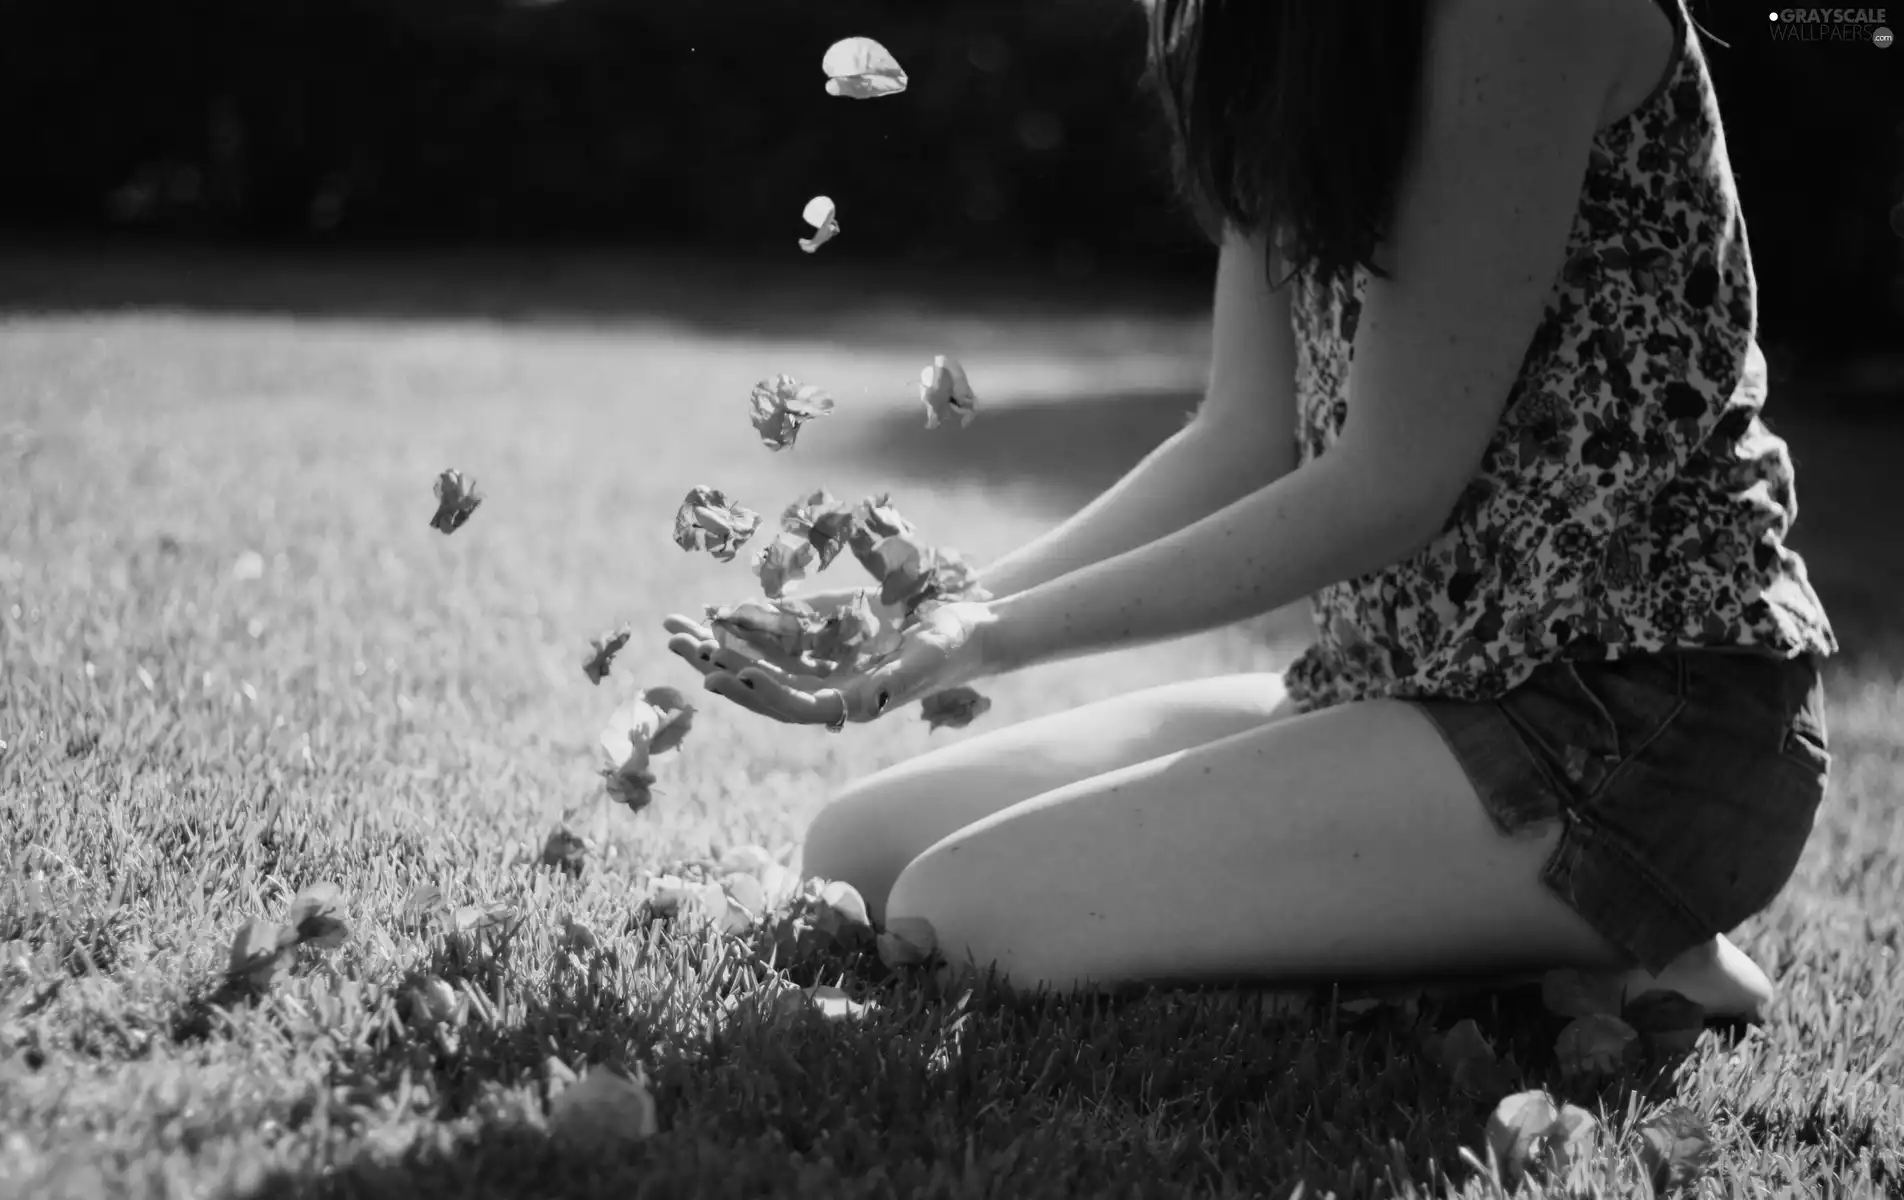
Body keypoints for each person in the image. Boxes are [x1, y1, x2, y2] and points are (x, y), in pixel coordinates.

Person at [664, 0, 1835, 1020]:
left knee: (957, 916)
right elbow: (1246, 433)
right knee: (857, 853)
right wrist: (952, 610)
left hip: (1635, 716)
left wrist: (996, 637)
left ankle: (1619, 935)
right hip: (1406, 683)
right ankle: (1547, 945)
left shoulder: (1513, 11)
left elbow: (1388, 490)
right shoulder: (1278, 29)